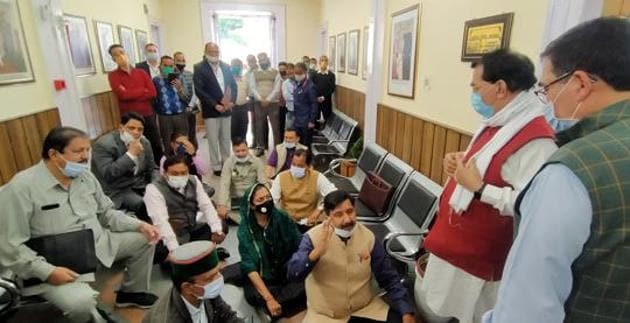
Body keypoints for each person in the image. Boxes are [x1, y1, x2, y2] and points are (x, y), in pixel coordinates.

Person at [483, 17, 630, 323]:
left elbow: (528, 309)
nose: (545, 98)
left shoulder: (572, 171)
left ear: (579, 84)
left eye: (547, 86)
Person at [419, 49, 557, 323]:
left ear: (501, 88)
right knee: (447, 311)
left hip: (480, 256)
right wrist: (458, 161)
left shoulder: (537, 141)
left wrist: (480, 189)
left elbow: (533, 204)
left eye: (476, 87)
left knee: (472, 315)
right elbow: (486, 166)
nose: (473, 94)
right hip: (456, 241)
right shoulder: (499, 122)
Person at [0, 127, 160, 322]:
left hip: (97, 245)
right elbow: (10, 245)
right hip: (55, 265)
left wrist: (139, 225)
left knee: (145, 237)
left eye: (87, 150)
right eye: (78, 151)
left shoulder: (85, 176)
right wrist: (47, 272)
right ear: (53, 154)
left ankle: (132, 294)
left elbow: (107, 213)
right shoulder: (20, 188)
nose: (85, 157)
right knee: (81, 304)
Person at [287, 190, 415, 323]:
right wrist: (316, 253)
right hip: (326, 316)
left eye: (350, 211)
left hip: (365, 309)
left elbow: (389, 278)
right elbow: (293, 274)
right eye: (338, 215)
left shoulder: (368, 237)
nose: (347, 219)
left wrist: (406, 311)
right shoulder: (312, 238)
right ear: (327, 216)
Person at [237, 183, 307, 319]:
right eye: (260, 200)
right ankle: (276, 303)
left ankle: (279, 304)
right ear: (252, 205)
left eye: (268, 197)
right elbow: (250, 267)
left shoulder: (281, 217)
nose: (266, 202)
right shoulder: (245, 229)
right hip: (264, 278)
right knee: (255, 295)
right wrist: (269, 298)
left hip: (286, 270)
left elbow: (299, 242)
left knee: (308, 282)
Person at [144, 155, 227, 264]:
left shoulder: (194, 180)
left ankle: (196, 257)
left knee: (221, 225)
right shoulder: (153, 189)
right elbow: (161, 222)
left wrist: (217, 230)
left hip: (191, 228)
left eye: (184, 173)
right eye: (174, 173)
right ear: (164, 173)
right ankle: (200, 256)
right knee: (157, 249)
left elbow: (206, 206)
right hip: (170, 235)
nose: (180, 176)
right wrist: (176, 251)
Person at [142, 241, 244, 323]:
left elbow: (226, 314)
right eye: (210, 278)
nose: (218, 279)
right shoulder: (168, 319)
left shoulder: (201, 292)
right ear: (187, 287)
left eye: (218, 271)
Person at [92, 112, 159, 223]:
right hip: (117, 189)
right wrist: (131, 155)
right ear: (121, 127)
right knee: (143, 204)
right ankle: (152, 234)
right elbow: (108, 174)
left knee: (164, 196)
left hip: (140, 184)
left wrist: (155, 185)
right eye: (131, 128)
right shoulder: (104, 144)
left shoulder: (144, 142)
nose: (135, 132)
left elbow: (153, 168)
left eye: (140, 129)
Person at [107, 44, 163, 164]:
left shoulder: (141, 72)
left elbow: (152, 93)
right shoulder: (113, 76)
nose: (120, 56)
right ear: (113, 59)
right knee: (133, 145)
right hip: (129, 119)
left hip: (147, 114)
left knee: (155, 143)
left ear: (126, 53)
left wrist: (130, 92)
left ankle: (159, 167)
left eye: (122, 52)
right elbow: (123, 95)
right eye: (116, 54)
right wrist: (142, 90)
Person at [194, 42, 237, 176]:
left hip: (226, 108)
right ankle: (216, 166)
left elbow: (233, 86)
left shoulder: (226, 66)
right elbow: (199, 90)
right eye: (211, 52)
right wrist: (215, 104)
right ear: (206, 51)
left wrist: (232, 101)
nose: (214, 54)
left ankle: (226, 162)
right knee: (213, 139)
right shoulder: (199, 67)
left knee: (225, 138)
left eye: (216, 51)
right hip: (211, 110)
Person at [271, 148, 336, 231]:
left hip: (307, 222)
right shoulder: (281, 177)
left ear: (309, 166)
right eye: (293, 164)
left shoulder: (317, 177)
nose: (295, 168)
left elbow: (333, 194)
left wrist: (319, 209)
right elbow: (272, 199)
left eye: (300, 166)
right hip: (286, 222)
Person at [217, 138, 268, 220]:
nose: (241, 153)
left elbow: (263, 182)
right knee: (223, 213)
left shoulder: (257, 161)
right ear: (233, 151)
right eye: (237, 151)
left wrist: (266, 199)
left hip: (253, 196)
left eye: (243, 150)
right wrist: (222, 204)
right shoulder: (228, 163)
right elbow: (224, 185)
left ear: (248, 148)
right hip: (235, 197)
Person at [153, 55, 189, 154]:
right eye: (165, 65)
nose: (168, 68)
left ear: (174, 67)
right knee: (167, 142)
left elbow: (187, 98)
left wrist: (180, 88)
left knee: (183, 142)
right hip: (164, 117)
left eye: (171, 65)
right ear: (160, 66)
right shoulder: (155, 80)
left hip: (180, 115)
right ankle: (169, 164)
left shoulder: (180, 78)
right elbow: (153, 100)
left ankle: (184, 163)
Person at [250, 52, 282, 157]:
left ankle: (277, 149)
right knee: (259, 126)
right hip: (259, 104)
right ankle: (260, 147)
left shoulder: (275, 72)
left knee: (275, 127)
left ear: (268, 59)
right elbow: (253, 88)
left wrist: (268, 99)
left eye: (264, 59)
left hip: (273, 104)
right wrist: (261, 99)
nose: (262, 62)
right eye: (260, 60)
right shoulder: (254, 73)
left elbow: (277, 88)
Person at [174, 51, 200, 149]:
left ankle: (193, 155)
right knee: (180, 136)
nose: (181, 63)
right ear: (174, 61)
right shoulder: (171, 76)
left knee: (192, 133)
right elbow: (175, 93)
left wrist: (191, 106)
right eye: (178, 60)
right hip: (178, 111)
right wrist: (180, 90)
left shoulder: (190, 74)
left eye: (183, 60)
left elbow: (194, 92)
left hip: (191, 109)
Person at [292, 63, 319, 148]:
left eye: (299, 73)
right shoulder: (298, 84)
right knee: (298, 144)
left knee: (305, 146)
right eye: (295, 73)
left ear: (305, 72)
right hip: (297, 120)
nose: (297, 75)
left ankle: (306, 161)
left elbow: (314, 104)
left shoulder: (310, 86)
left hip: (306, 121)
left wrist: (312, 121)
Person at [311, 55, 336, 123]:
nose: (324, 62)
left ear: (328, 63)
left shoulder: (331, 75)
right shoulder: (314, 74)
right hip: (316, 101)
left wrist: (323, 97)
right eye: (322, 60)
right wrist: (316, 97)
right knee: (315, 119)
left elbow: (332, 88)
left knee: (328, 120)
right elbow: (311, 87)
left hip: (326, 101)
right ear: (319, 62)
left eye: (325, 60)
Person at [231, 58, 250, 141]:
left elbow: (249, 92)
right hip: (232, 108)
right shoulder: (228, 79)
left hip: (243, 107)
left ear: (242, 67)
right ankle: (235, 148)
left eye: (239, 66)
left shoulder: (245, 79)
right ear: (231, 67)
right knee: (233, 129)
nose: (237, 67)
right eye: (235, 66)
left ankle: (243, 145)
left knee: (244, 127)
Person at [245, 54, 259, 148]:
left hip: (258, 99)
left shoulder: (260, 71)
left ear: (255, 60)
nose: (250, 62)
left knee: (259, 122)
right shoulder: (247, 72)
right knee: (253, 122)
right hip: (250, 99)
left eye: (252, 60)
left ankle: (260, 143)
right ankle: (254, 142)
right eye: (249, 61)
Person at [281, 63, 297, 129]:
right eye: (288, 69)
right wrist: (299, 97)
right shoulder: (285, 83)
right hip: (291, 110)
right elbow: (287, 97)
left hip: (302, 110)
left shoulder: (300, 81)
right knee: (290, 130)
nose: (290, 71)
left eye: (291, 69)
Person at [277, 61, 289, 139]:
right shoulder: (277, 78)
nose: (282, 71)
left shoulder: (290, 79)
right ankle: (281, 140)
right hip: (280, 105)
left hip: (289, 106)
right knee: (280, 124)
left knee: (289, 125)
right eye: (280, 69)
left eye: (283, 69)